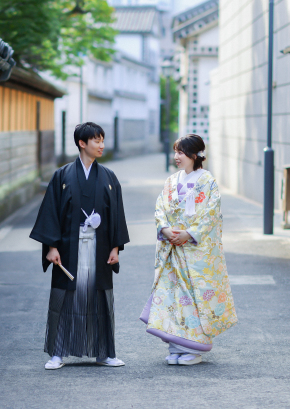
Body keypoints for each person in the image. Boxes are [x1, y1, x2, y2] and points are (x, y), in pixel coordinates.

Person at [30, 122, 129, 370]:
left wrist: (115, 248)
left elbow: (116, 214)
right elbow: (51, 213)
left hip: (99, 246)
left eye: (102, 140)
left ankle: (104, 352)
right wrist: (52, 247)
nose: (101, 145)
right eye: (96, 140)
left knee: (99, 297)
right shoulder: (62, 176)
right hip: (69, 249)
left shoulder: (108, 177)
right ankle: (57, 352)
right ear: (82, 143)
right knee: (65, 298)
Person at [140, 134, 237, 365]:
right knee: (173, 297)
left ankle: (193, 349)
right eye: (175, 152)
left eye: (180, 152)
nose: (176, 157)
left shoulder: (208, 182)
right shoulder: (171, 181)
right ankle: (176, 348)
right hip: (173, 249)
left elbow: (211, 214)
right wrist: (164, 229)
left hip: (195, 253)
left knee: (193, 299)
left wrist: (189, 234)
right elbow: (160, 207)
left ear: (195, 155)